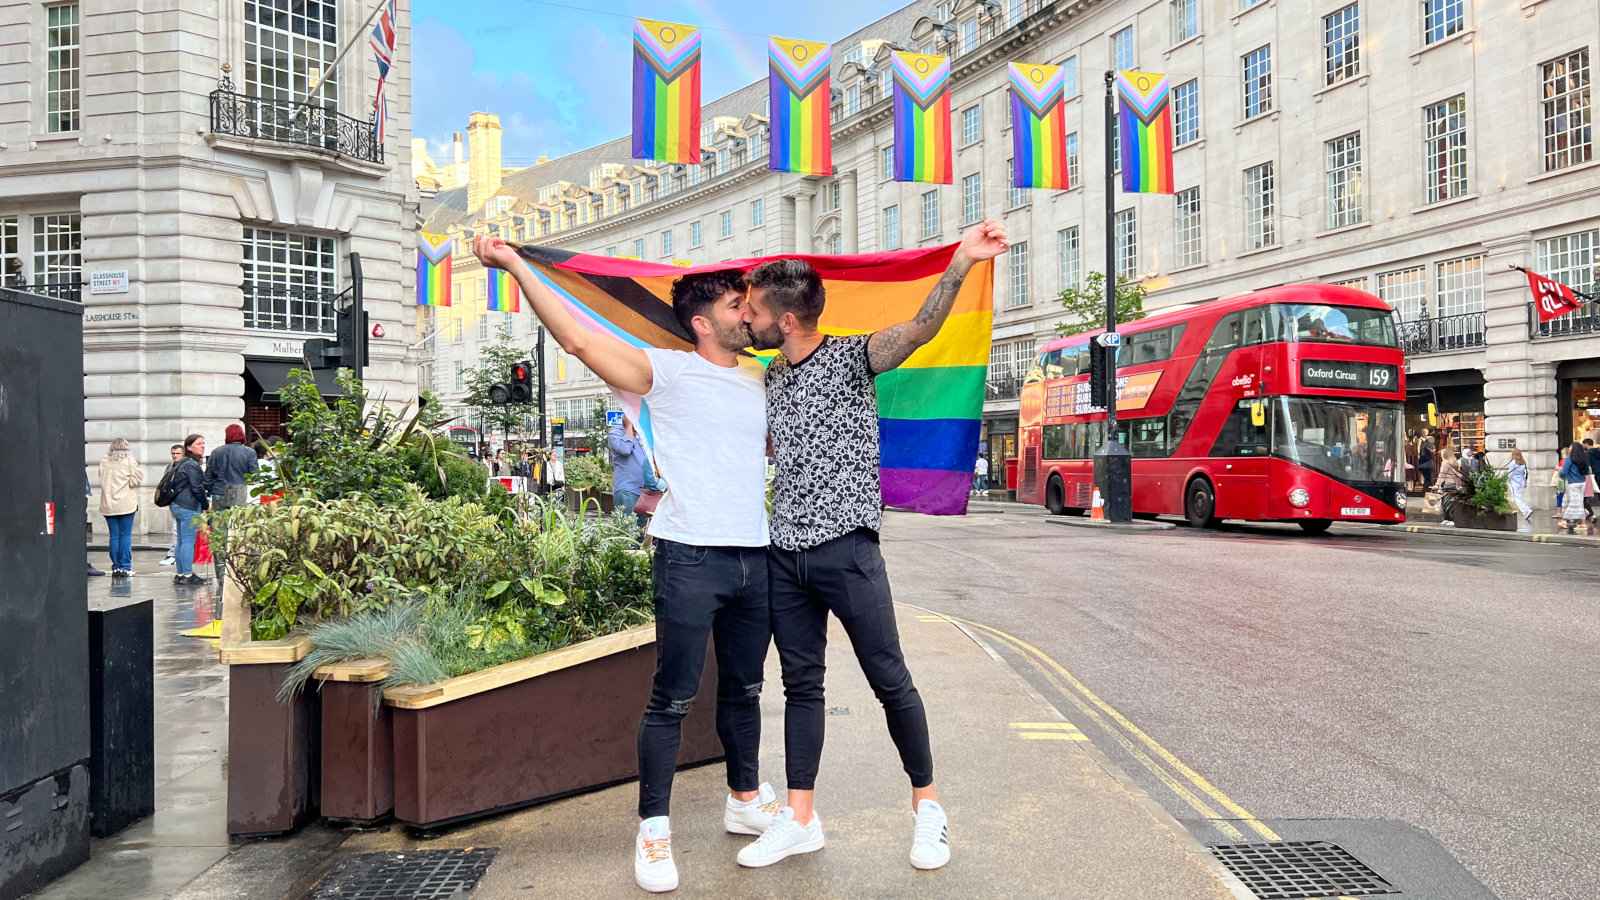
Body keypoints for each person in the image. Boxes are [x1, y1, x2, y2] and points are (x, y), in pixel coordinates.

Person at [474, 236, 777, 894]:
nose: (748, 313)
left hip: (756, 557)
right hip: (689, 555)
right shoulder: (664, 372)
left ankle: (745, 798)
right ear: (703, 321)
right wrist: (518, 266)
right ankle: (654, 828)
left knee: (746, 691)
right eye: (737, 303)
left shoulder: (761, 377)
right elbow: (581, 343)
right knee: (672, 698)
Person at [737, 220, 1009, 873]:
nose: (747, 320)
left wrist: (961, 263)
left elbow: (920, 328)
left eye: (754, 311)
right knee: (801, 685)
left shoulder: (854, 356)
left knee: (890, 680)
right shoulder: (770, 376)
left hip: (848, 550)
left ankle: (929, 809)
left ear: (792, 319)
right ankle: (800, 819)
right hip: (786, 551)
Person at [206, 424, 259, 585]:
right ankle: (237, 573)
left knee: (220, 536)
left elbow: (208, 477)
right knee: (238, 533)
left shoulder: (216, 452)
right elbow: (255, 475)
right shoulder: (249, 452)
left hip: (219, 493)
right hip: (239, 492)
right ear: (241, 435)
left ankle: (221, 575)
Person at [97, 438, 145, 577]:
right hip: (125, 504)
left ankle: (116, 567)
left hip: (108, 504)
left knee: (114, 536)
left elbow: (101, 479)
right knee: (125, 536)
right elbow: (136, 480)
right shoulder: (129, 461)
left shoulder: (104, 461)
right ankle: (125, 566)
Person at [169, 434, 211, 585]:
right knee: (188, 541)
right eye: (199, 443)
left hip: (177, 505)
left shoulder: (181, 463)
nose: (202, 446)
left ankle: (180, 574)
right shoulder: (192, 464)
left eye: (203, 443)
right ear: (189, 447)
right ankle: (187, 575)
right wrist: (205, 505)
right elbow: (197, 487)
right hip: (188, 506)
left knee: (181, 541)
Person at [609, 418, 651, 526]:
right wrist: (629, 428)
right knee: (627, 531)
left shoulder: (642, 433)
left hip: (645, 492)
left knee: (642, 533)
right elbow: (625, 449)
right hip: (628, 491)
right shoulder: (616, 432)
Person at [1559, 442, 1591, 535]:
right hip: (1582, 483)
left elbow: (1564, 472)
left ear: (1573, 449)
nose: (1569, 448)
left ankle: (1565, 521)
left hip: (1572, 483)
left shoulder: (1569, 459)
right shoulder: (1584, 459)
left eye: (1570, 447)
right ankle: (1582, 522)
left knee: (1572, 503)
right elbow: (1587, 471)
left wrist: (1560, 473)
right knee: (1578, 502)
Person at [159, 444, 183, 565]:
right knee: (175, 529)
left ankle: (174, 554)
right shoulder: (170, 467)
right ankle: (174, 553)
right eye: (173, 453)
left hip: (184, 502)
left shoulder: (186, 466)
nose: (175, 456)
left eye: (177, 453)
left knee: (178, 530)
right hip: (173, 501)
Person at [1433, 446, 1466, 527]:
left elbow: (1442, 475)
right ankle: (1450, 519)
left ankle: (1448, 519)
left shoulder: (1445, 463)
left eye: (1441, 454)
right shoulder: (1455, 462)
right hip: (1455, 485)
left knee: (1445, 503)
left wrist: (1437, 485)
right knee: (1451, 503)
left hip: (1448, 485)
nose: (1441, 456)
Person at [1506, 448, 1532, 523]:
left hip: (1514, 482)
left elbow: (1510, 474)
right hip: (1521, 482)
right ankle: (1526, 511)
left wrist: (1507, 480)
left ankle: (1526, 511)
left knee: (1517, 499)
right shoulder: (1523, 462)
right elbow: (1525, 473)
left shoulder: (1513, 463)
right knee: (1520, 497)